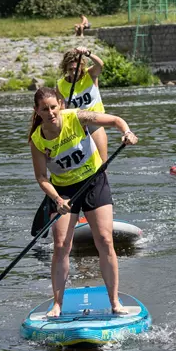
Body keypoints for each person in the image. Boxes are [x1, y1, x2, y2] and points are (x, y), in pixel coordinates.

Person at [28, 87, 138, 318]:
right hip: (64, 191)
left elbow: (116, 120)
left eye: (53, 107)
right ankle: (57, 304)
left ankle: (115, 302)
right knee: (61, 246)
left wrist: (127, 132)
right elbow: (41, 177)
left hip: (94, 181)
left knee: (105, 240)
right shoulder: (37, 140)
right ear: (37, 111)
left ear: (60, 105)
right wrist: (56, 199)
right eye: (44, 109)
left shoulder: (76, 117)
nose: (50, 113)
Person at [57, 46, 108, 162]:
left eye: (76, 69)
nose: (74, 72)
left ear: (81, 67)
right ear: (66, 69)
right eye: (70, 69)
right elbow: (61, 111)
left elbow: (100, 65)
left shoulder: (90, 74)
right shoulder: (60, 85)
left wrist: (88, 53)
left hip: (95, 122)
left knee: (102, 163)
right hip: (76, 125)